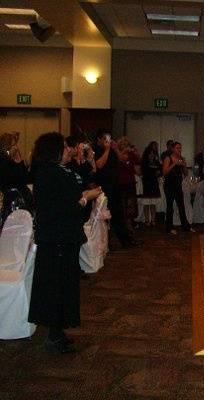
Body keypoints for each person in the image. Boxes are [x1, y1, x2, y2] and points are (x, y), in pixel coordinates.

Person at [28, 132, 102, 354]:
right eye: (64, 147)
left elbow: (74, 187)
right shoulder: (47, 174)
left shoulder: (59, 172)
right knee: (56, 288)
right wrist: (84, 198)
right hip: (56, 239)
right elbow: (64, 206)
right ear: (53, 150)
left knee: (64, 286)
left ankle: (58, 332)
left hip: (63, 237)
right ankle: (53, 336)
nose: (69, 149)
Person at [93, 130, 141, 248]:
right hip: (103, 188)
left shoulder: (113, 150)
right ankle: (106, 244)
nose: (108, 141)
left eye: (109, 139)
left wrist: (115, 149)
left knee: (119, 214)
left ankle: (126, 241)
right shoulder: (97, 150)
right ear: (99, 140)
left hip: (115, 186)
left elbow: (123, 160)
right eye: (105, 139)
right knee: (104, 216)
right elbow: (99, 165)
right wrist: (107, 149)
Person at [163, 142, 194, 234]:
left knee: (181, 206)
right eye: (177, 148)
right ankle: (169, 228)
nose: (179, 150)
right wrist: (174, 164)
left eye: (180, 148)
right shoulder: (168, 158)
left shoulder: (181, 159)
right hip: (169, 185)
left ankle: (186, 226)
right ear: (173, 149)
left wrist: (184, 165)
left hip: (178, 185)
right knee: (170, 207)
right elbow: (164, 172)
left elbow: (186, 174)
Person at [0, 132, 32, 214]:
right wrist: (19, 162)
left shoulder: (10, 160)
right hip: (10, 199)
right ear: (7, 146)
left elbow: (25, 179)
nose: (16, 148)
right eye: (13, 145)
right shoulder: (4, 160)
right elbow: (17, 179)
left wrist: (21, 163)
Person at [116, 137, 140, 232]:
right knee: (122, 205)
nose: (126, 147)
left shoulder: (131, 154)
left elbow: (137, 168)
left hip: (130, 182)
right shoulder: (118, 155)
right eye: (124, 145)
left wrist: (137, 155)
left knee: (130, 205)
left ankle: (129, 224)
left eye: (127, 145)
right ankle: (122, 226)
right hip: (120, 183)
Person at [140, 141, 161, 226]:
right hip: (146, 184)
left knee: (153, 203)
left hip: (154, 184)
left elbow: (160, 170)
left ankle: (153, 220)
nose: (152, 155)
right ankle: (146, 220)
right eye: (150, 154)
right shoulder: (144, 162)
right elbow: (143, 172)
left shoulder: (156, 162)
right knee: (146, 203)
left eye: (153, 154)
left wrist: (159, 173)